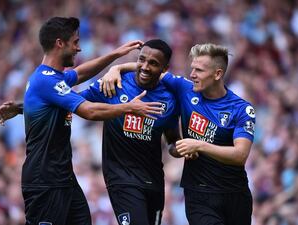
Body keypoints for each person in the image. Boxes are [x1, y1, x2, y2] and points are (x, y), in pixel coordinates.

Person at [0, 39, 196, 225]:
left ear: (164, 69)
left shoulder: (170, 99)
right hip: (121, 178)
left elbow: (171, 140)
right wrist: (22, 107)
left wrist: (181, 149)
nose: (144, 66)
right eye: (141, 59)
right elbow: (69, 102)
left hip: (153, 180)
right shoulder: (114, 84)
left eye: (153, 63)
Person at [11, 17, 164, 225]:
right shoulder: (46, 80)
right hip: (44, 179)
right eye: (75, 42)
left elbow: (81, 73)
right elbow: (89, 111)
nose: (78, 48)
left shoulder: (55, 77)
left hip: (63, 177)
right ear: (59, 43)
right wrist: (129, 107)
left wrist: (115, 56)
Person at [101, 43, 256, 225]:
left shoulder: (242, 109)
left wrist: (198, 145)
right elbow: (150, 69)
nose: (192, 75)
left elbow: (240, 155)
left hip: (235, 194)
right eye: (192, 69)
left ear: (218, 74)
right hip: (199, 194)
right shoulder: (185, 89)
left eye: (199, 70)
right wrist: (116, 68)